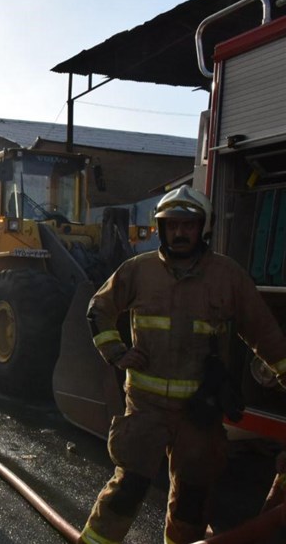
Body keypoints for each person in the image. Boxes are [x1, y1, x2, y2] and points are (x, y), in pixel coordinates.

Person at [79, 186, 286, 544]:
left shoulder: (227, 276)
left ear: (202, 228)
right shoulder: (138, 271)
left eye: (188, 225)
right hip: (146, 407)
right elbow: (99, 309)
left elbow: (263, 331)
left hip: (199, 411)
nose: (179, 232)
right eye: (171, 224)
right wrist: (116, 353)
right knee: (128, 486)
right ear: (160, 228)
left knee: (192, 499)